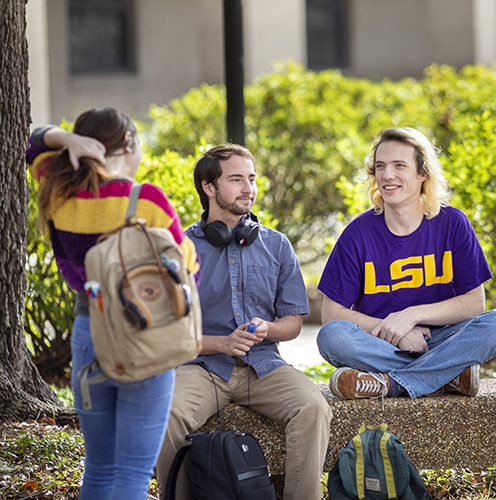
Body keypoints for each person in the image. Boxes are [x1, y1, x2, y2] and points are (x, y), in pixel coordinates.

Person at [26, 108, 200, 500]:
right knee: (134, 475)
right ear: (128, 144)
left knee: (100, 469)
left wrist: (67, 140)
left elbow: (34, 142)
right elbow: (188, 269)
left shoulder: (60, 194)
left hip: (89, 335)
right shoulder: (147, 200)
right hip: (144, 335)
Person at [155, 143, 332, 500]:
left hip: (264, 366)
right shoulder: (180, 249)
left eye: (251, 178)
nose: (248, 188)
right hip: (203, 365)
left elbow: (294, 322)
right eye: (236, 179)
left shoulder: (278, 246)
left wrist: (269, 329)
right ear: (209, 187)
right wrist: (220, 343)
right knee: (166, 413)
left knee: (313, 406)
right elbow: (166, 329)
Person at [316, 127, 496, 400]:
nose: (388, 175)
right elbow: (332, 314)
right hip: (382, 341)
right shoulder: (358, 233)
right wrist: (397, 332)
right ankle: (448, 376)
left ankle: (391, 384)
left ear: (423, 174)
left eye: (400, 165)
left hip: (444, 340)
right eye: (380, 166)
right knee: (332, 337)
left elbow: (474, 303)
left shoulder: (452, 223)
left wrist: (411, 316)